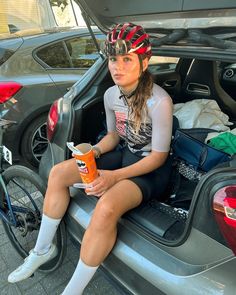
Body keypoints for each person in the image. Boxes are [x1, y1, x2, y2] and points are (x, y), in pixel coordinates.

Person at [8, 23, 173, 294]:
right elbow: (113, 136)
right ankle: (42, 250)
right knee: (59, 173)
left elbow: (158, 156)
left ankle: (72, 290)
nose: (117, 67)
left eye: (127, 59)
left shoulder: (159, 101)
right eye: (113, 59)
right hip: (124, 155)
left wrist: (112, 177)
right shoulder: (111, 95)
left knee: (106, 206)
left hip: (150, 170)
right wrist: (93, 152)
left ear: (144, 62)